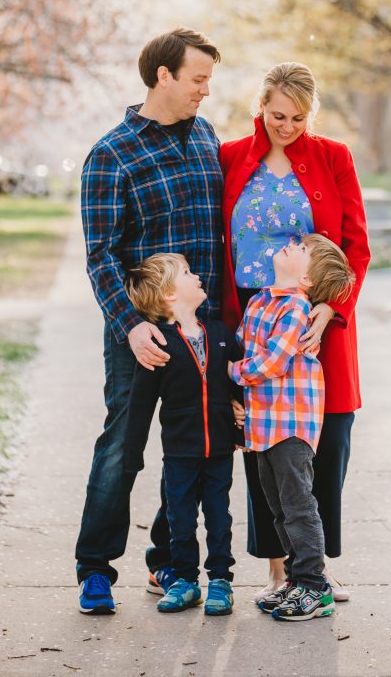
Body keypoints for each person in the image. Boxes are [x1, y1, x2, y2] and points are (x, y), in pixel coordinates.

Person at [75, 28, 223, 615]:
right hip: (140, 333)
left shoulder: (207, 136)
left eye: (208, 80)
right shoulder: (111, 155)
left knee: (194, 449)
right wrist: (130, 325)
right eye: (198, 79)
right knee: (123, 450)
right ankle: (94, 569)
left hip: (201, 331)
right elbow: (100, 254)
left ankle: (168, 558)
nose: (206, 92)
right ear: (163, 76)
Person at [220, 62, 371, 603]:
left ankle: (317, 568)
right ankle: (279, 570)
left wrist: (331, 310)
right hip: (253, 324)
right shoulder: (231, 157)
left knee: (325, 444)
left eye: (298, 118)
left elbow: (356, 245)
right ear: (261, 105)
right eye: (277, 114)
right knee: (264, 444)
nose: (286, 126)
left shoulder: (333, 156)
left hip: (317, 322)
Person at [230, 233, 354, 621]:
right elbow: (244, 342)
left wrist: (228, 373)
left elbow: (271, 362)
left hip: (291, 424)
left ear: (308, 282)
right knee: (279, 509)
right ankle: (296, 581)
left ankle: (315, 588)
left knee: (299, 507)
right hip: (263, 425)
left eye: (303, 249)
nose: (293, 243)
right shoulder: (261, 301)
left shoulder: (297, 308)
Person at [124, 253, 242, 617]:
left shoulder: (221, 335)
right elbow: (140, 404)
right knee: (181, 519)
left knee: (219, 517)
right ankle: (185, 583)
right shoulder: (160, 346)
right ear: (170, 296)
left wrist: (242, 415)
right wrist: (132, 453)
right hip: (179, 454)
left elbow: (239, 385)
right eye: (188, 273)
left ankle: (221, 581)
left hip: (220, 450)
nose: (198, 276)